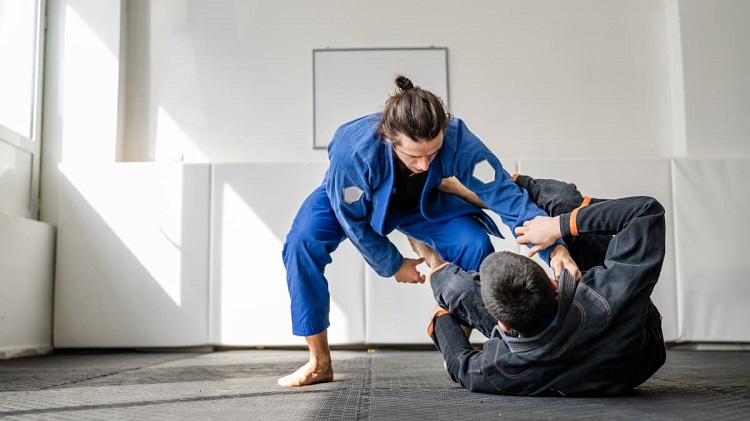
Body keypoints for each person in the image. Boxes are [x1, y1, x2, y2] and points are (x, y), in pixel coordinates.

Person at [278, 76, 580, 387]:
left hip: (420, 199)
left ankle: (473, 347)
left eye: (432, 154)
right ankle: (319, 362)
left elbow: (502, 193)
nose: (424, 164)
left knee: (473, 244)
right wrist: (393, 264)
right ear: (387, 137)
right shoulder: (353, 152)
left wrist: (553, 246)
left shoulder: (457, 137)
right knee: (301, 245)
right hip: (351, 198)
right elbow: (352, 219)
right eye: (413, 156)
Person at [414, 174, 667, 396]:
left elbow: (461, 364)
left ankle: (475, 206)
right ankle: (485, 197)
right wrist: (557, 226)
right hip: (633, 348)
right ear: (553, 283)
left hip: (565, 360)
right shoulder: (608, 293)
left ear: (502, 325)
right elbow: (646, 211)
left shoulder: (503, 367)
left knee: (454, 288)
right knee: (563, 200)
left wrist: (435, 268)